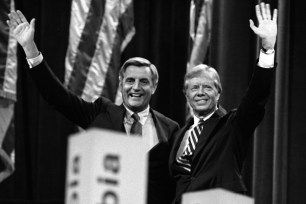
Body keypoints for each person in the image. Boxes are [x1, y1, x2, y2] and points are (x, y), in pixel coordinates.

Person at [7, 10, 179, 204]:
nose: (136, 87)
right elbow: (58, 97)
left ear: (154, 86)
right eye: (130, 81)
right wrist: (30, 49)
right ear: (121, 84)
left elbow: (178, 181)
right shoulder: (102, 112)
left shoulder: (170, 129)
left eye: (144, 82)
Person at [169, 3, 277, 203]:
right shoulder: (179, 134)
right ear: (186, 95)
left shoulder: (231, 125)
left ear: (218, 93)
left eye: (207, 87)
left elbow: (255, 98)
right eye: (194, 88)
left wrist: (267, 50)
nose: (200, 92)